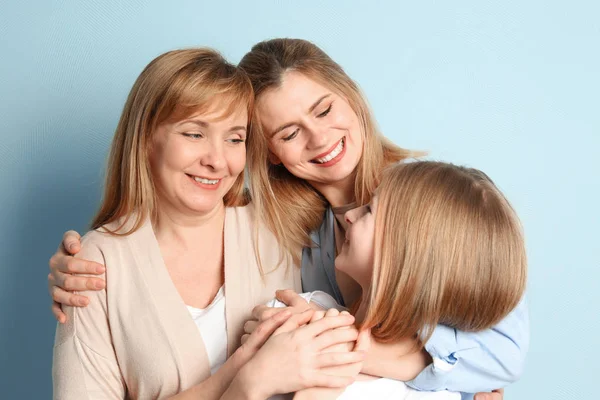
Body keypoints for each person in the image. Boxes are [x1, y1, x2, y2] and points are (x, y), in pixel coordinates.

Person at [48, 39, 527, 399]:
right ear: (269, 152)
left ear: (351, 96)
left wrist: (344, 348)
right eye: (290, 132)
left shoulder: (431, 205)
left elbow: (502, 354)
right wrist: (83, 259)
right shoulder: (289, 229)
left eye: (324, 109)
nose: (319, 139)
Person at [51, 48, 365, 400]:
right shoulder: (95, 264)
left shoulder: (282, 225)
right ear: (145, 138)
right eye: (194, 134)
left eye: (235, 138)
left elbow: (396, 330)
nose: (217, 161)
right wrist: (245, 381)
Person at [270, 161, 527, 400]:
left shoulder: (434, 392)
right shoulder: (309, 308)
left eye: (369, 209)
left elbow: (508, 356)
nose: (350, 215)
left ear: (408, 252)